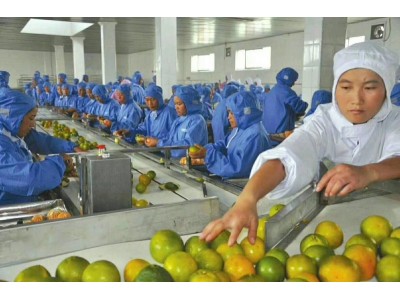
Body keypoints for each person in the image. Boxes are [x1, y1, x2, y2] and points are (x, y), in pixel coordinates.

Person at [200, 41, 400, 246]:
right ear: (335, 88)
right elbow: (289, 155)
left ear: (386, 89)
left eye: (369, 88)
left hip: (389, 224)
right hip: (330, 229)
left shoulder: (395, 120)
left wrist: (368, 172)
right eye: (346, 87)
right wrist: (247, 200)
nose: (356, 99)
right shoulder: (324, 120)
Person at [0, 83, 81, 205]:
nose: (33, 125)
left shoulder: (9, 129)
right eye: (31, 118)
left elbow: (39, 141)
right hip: (9, 211)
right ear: (14, 117)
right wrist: (59, 163)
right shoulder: (2, 146)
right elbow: (28, 179)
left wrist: (71, 146)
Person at [189, 90, 272, 179]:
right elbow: (225, 145)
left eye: (232, 113)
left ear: (244, 113)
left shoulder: (255, 135)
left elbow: (237, 168)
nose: (228, 117)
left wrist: (209, 155)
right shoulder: (240, 129)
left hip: (243, 186)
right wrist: (207, 150)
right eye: (228, 112)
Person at [145, 85, 208, 158]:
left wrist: (159, 143)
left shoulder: (197, 121)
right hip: (175, 161)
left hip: (190, 164)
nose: (176, 107)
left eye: (179, 104)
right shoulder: (178, 120)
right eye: (175, 104)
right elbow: (170, 139)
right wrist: (156, 141)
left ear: (189, 104)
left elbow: (187, 146)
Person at [261, 67, 308, 145]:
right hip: (280, 135)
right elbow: (300, 108)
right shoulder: (287, 91)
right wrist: (306, 104)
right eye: (293, 80)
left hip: (267, 133)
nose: (293, 83)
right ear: (289, 80)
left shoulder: (273, 90)